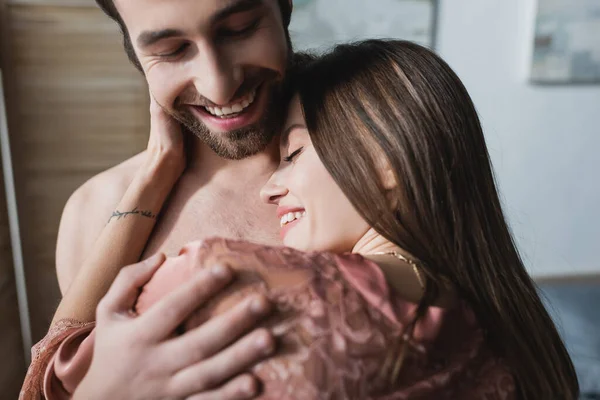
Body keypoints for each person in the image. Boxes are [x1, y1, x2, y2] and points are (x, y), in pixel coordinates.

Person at [31, 40, 580, 399]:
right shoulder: (499, 335)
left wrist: (157, 169)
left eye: (291, 155)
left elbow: (48, 386)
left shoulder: (220, 284)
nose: (271, 186)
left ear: (383, 162)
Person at [22, 0, 297, 398]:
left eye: (240, 28)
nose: (218, 85)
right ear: (133, 53)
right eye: (171, 51)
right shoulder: (95, 211)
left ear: (284, 5)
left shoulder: (373, 163)